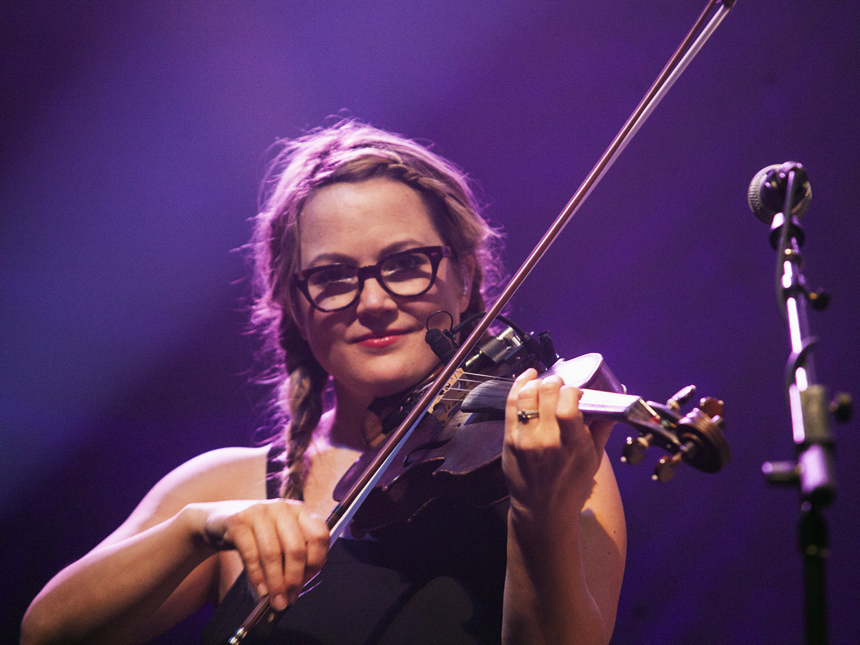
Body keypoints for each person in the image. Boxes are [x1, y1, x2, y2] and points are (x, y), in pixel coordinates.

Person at [21, 120, 626, 645]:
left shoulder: (555, 457)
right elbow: (46, 634)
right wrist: (196, 529)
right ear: (294, 304)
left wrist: (538, 513)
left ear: (464, 278)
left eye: (406, 264)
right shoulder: (234, 485)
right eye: (334, 277)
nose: (374, 302)